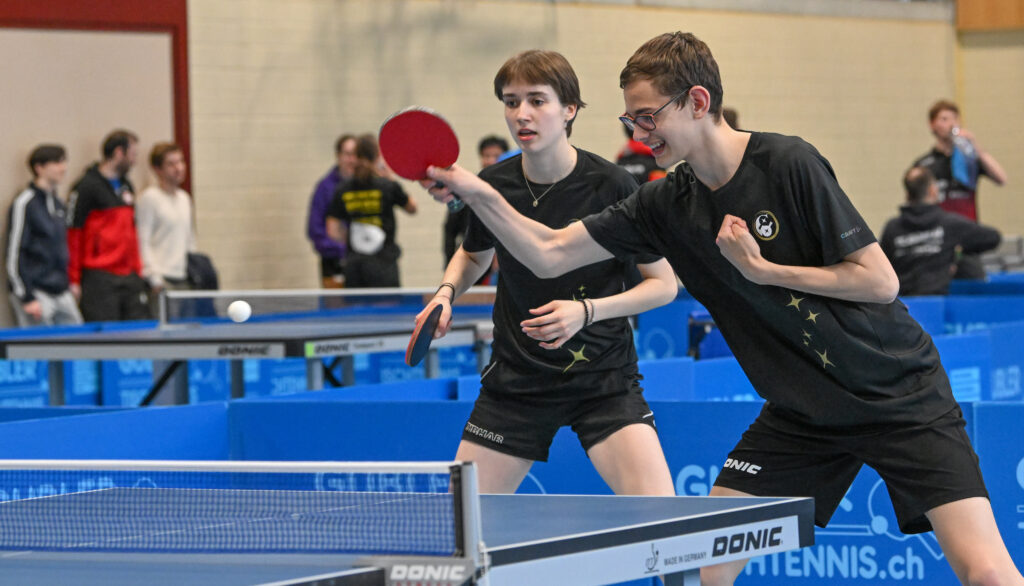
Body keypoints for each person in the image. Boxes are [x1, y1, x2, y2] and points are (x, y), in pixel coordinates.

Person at [421, 32, 1023, 585]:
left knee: (987, 573)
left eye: (649, 116)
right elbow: (549, 253)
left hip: (898, 396)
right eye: (631, 119)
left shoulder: (787, 163)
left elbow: (880, 282)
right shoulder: (662, 204)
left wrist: (763, 271)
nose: (640, 134)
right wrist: (476, 191)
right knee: (703, 567)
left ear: (698, 101)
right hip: (802, 414)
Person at [416, 49, 678, 497]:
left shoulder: (612, 184)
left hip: (603, 380)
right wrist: (445, 293)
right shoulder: (495, 184)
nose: (522, 114)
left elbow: (664, 285)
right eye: (511, 101)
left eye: (537, 100)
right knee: (463, 523)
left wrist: (587, 311)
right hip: (517, 381)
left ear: (569, 109)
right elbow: (474, 254)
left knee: (661, 516)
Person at [67, 129, 150, 322]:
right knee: (106, 333)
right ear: (119, 152)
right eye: (132, 155)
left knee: (140, 328)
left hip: (129, 275)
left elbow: (132, 231)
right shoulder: (86, 186)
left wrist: (137, 269)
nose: (134, 161)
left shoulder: (126, 186)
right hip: (100, 275)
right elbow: (74, 235)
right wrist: (73, 279)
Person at [881, 167, 1001, 296]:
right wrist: (957, 252)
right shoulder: (950, 225)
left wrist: (957, 256)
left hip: (903, 302)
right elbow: (993, 237)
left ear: (907, 194)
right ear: (932, 190)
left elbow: (882, 268)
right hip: (937, 302)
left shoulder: (892, 228)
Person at [5, 144, 83, 327]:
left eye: (64, 162)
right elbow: (14, 252)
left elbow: (62, 247)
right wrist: (26, 296)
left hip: (61, 289)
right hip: (36, 291)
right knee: (40, 342)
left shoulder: (58, 204)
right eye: (56, 163)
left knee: (77, 335)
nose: (63, 168)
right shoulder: (25, 203)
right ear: (39, 168)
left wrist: (70, 281)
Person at [325, 134, 416, 288]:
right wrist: (391, 177)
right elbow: (412, 208)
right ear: (377, 156)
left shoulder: (342, 189)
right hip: (384, 267)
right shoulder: (388, 186)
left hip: (355, 268)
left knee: (358, 305)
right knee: (388, 305)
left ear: (356, 156)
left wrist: (351, 239)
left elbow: (332, 230)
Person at [913, 99, 1007, 223]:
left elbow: (1001, 179)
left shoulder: (969, 159)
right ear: (932, 124)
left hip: (968, 227)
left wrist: (976, 147)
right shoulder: (923, 164)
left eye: (955, 119)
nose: (951, 124)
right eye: (944, 119)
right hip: (939, 229)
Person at [136, 142, 197, 315]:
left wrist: (194, 268)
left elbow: (189, 238)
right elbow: (142, 240)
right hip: (162, 279)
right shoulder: (149, 198)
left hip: (184, 277)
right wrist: (153, 276)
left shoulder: (184, 198)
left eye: (181, 162)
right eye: (171, 164)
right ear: (158, 169)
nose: (179, 168)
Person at [443, 135, 509, 265]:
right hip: (473, 260)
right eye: (486, 156)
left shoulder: (515, 190)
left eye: (496, 156)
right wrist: (449, 263)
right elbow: (450, 230)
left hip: (505, 264)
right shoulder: (465, 189)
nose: (491, 161)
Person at [307, 134, 357, 288]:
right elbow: (315, 230)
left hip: (363, 265)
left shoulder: (367, 185)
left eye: (356, 154)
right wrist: (343, 251)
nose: (352, 160)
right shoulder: (325, 188)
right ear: (338, 156)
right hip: (334, 263)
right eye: (348, 154)